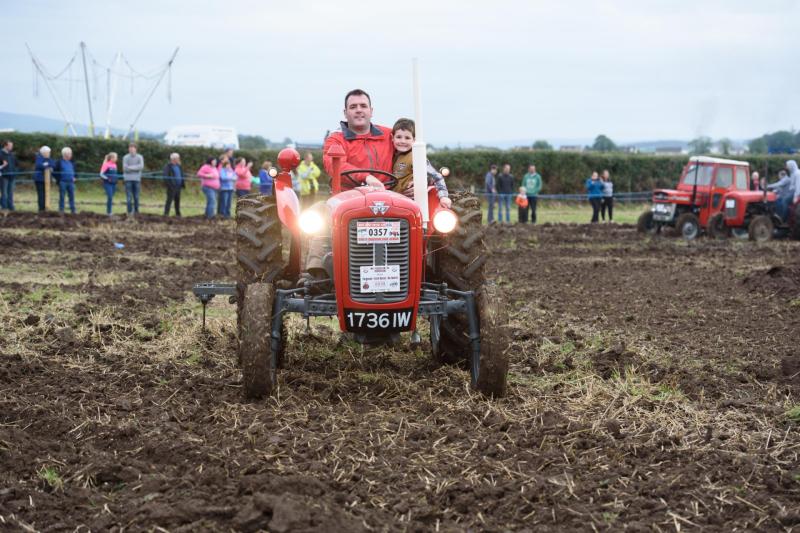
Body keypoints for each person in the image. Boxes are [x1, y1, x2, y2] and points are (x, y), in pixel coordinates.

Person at [389, 118, 451, 208]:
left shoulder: (416, 156)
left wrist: (443, 196)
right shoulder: (394, 156)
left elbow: (436, 176)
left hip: (412, 203)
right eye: (399, 137)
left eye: (407, 138)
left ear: (414, 140)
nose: (402, 141)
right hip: (396, 201)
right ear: (392, 138)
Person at [53, 147, 77, 214]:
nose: (71, 155)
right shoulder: (59, 162)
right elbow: (54, 172)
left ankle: (73, 210)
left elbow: (75, 171)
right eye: (70, 153)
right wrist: (59, 179)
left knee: (72, 196)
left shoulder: (72, 162)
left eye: (71, 153)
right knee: (62, 196)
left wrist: (75, 177)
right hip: (62, 182)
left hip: (71, 182)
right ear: (65, 154)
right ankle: (61, 210)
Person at [122, 143, 144, 216]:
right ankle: (129, 212)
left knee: (136, 197)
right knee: (129, 197)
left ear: (135, 149)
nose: (131, 149)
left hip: (137, 179)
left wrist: (130, 167)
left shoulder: (140, 157)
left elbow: (140, 167)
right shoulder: (125, 157)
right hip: (128, 179)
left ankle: (136, 211)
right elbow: (125, 169)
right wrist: (135, 168)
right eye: (130, 148)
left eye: (132, 148)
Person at [163, 152, 184, 216]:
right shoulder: (168, 166)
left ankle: (178, 213)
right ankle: (166, 214)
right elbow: (165, 176)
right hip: (172, 187)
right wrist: (170, 185)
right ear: (173, 159)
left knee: (177, 200)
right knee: (169, 200)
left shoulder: (179, 166)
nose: (179, 159)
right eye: (178, 158)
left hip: (178, 186)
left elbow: (181, 174)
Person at [33, 146, 53, 212]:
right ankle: (41, 208)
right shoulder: (39, 158)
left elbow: (53, 164)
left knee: (46, 194)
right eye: (48, 152)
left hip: (47, 180)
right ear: (44, 153)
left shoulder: (49, 159)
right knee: (41, 194)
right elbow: (39, 165)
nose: (49, 154)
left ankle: (46, 207)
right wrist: (47, 166)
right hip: (39, 180)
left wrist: (46, 165)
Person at [0, 140, 18, 211]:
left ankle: (11, 207)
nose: (11, 147)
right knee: (4, 193)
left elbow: (16, 163)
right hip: (4, 176)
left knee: (10, 192)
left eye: (12, 146)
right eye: (10, 146)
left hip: (12, 175)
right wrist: (2, 166)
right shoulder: (0, 154)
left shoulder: (11, 154)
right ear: (5, 146)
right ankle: (4, 207)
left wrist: (15, 171)